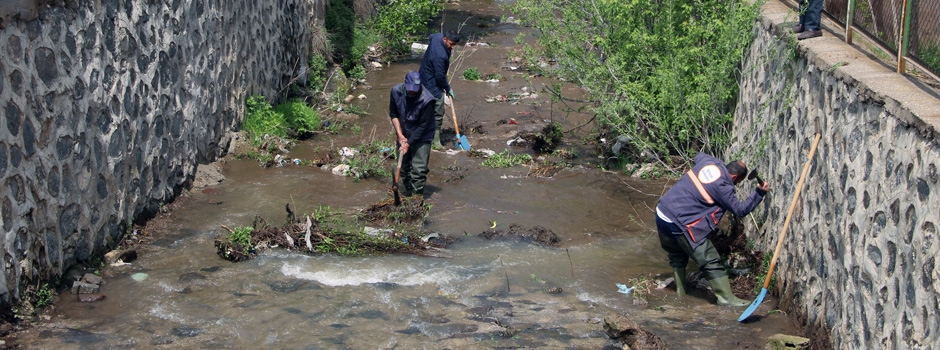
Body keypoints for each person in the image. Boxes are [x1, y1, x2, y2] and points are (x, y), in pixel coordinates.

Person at [655, 153, 770, 306]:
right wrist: (759, 193)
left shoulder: (707, 162)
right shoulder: (723, 187)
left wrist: (716, 163)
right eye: (737, 183)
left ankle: (681, 294)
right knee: (711, 260)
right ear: (735, 178)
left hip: (662, 212)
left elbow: (698, 155)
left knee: (677, 254)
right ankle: (726, 299)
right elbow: (740, 210)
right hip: (681, 222)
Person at [389, 71, 437, 197]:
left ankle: (416, 199)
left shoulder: (428, 100)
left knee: (418, 170)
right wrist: (400, 135)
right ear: (405, 83)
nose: (412, 92)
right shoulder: (396, 91)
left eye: (415, 90)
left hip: (422, 135)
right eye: (410, 89)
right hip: (404, 132)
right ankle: (407, 194)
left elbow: (423, 126)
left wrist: (409, 144)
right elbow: (394, 114)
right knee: (404, 167)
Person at [419, 30, 461, 150]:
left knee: (425, 109)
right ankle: (435, 142)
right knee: (438, 112)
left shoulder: (437, 37)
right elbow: (440, 76)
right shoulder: (440, 55)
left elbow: (430, 35)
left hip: (423, 76)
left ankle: (425, 135)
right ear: (445, 39)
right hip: (431, 82)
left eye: (454, 45)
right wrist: (448, 88)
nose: (452, 47)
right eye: (451, 44)